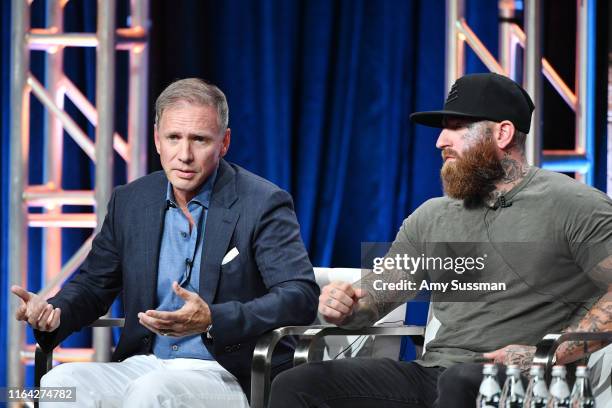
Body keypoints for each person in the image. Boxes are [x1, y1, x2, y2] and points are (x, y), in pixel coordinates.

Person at [268, 72, 612, 407]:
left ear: (503, 133)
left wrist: (545, 355)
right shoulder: (433, 215)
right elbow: (378, 294)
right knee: (298, 384)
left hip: (528, 381)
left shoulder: (575, 206)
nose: (439, 142)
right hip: (435, 374)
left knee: (460, 381)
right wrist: (346, 305)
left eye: (456, 128)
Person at [11, 78, 319, 407]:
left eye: (199, 140)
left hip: (223, 371)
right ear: (157, 140)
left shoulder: (261, 202)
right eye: (174, 138)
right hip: (142, 363)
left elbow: (298, 295)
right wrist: (56, 312)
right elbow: (92, 286)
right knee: (61, 382)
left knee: (153, 392)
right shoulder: (131, 201)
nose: (184, 155)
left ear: (224, 142)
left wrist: (214, 318)